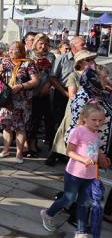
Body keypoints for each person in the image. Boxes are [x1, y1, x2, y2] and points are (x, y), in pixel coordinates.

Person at [40, 102, 111, 237]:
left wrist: (103, 159)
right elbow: (69, 152)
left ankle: (80, 231)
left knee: (84, 203)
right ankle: (48, 214)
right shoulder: (78, 131)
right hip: (75, 173)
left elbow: (95, 150)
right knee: (69, 199)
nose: (98, 123)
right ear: (84, 118)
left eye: (101, 120)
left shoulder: (96, 133)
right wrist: (83, 160)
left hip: (90, 176)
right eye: (94, 120)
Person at [0, 41, 40, 164]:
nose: (11, 51)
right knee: (7, 125)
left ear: (21, 51)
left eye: (14, 49)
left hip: (22, 101)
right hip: (7, 99)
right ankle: (5, 150)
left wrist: (21, 86)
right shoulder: (5, 62)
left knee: (20, 127)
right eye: (10, 49)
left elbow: (35, 81)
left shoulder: (28, 63)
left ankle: (19, 153)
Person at [47, 36, 86, 165]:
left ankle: (66, 152)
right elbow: (52, 77)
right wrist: (64, 92)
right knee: (58, 123)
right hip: (61, 92)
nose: (85, 46)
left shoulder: (85, 60)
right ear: (74, 46)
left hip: (77, 95)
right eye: (82, 44)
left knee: (72, 124)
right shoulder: (62, 58)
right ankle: (53, 153)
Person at [50, 51, 96, 160]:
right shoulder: (74, 75)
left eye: (92, 59)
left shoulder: (93, 75)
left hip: (90, 109)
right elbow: (72, 95)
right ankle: (62, 154)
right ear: (80, 63)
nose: (92, 62)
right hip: (76, 109)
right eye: (88, 60)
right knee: (71, 130)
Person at [26, 34, 55, 158]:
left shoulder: (51, 56)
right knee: (30, 119)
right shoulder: (29, 55)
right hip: (29, 91)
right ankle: (30, 144)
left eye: (46, 44)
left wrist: (48, 85)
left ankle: (39, 143)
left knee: (41, 119)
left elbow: (53, 74)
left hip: (44, 91)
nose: (43, 46)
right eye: (41, 43)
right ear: (36, 43)